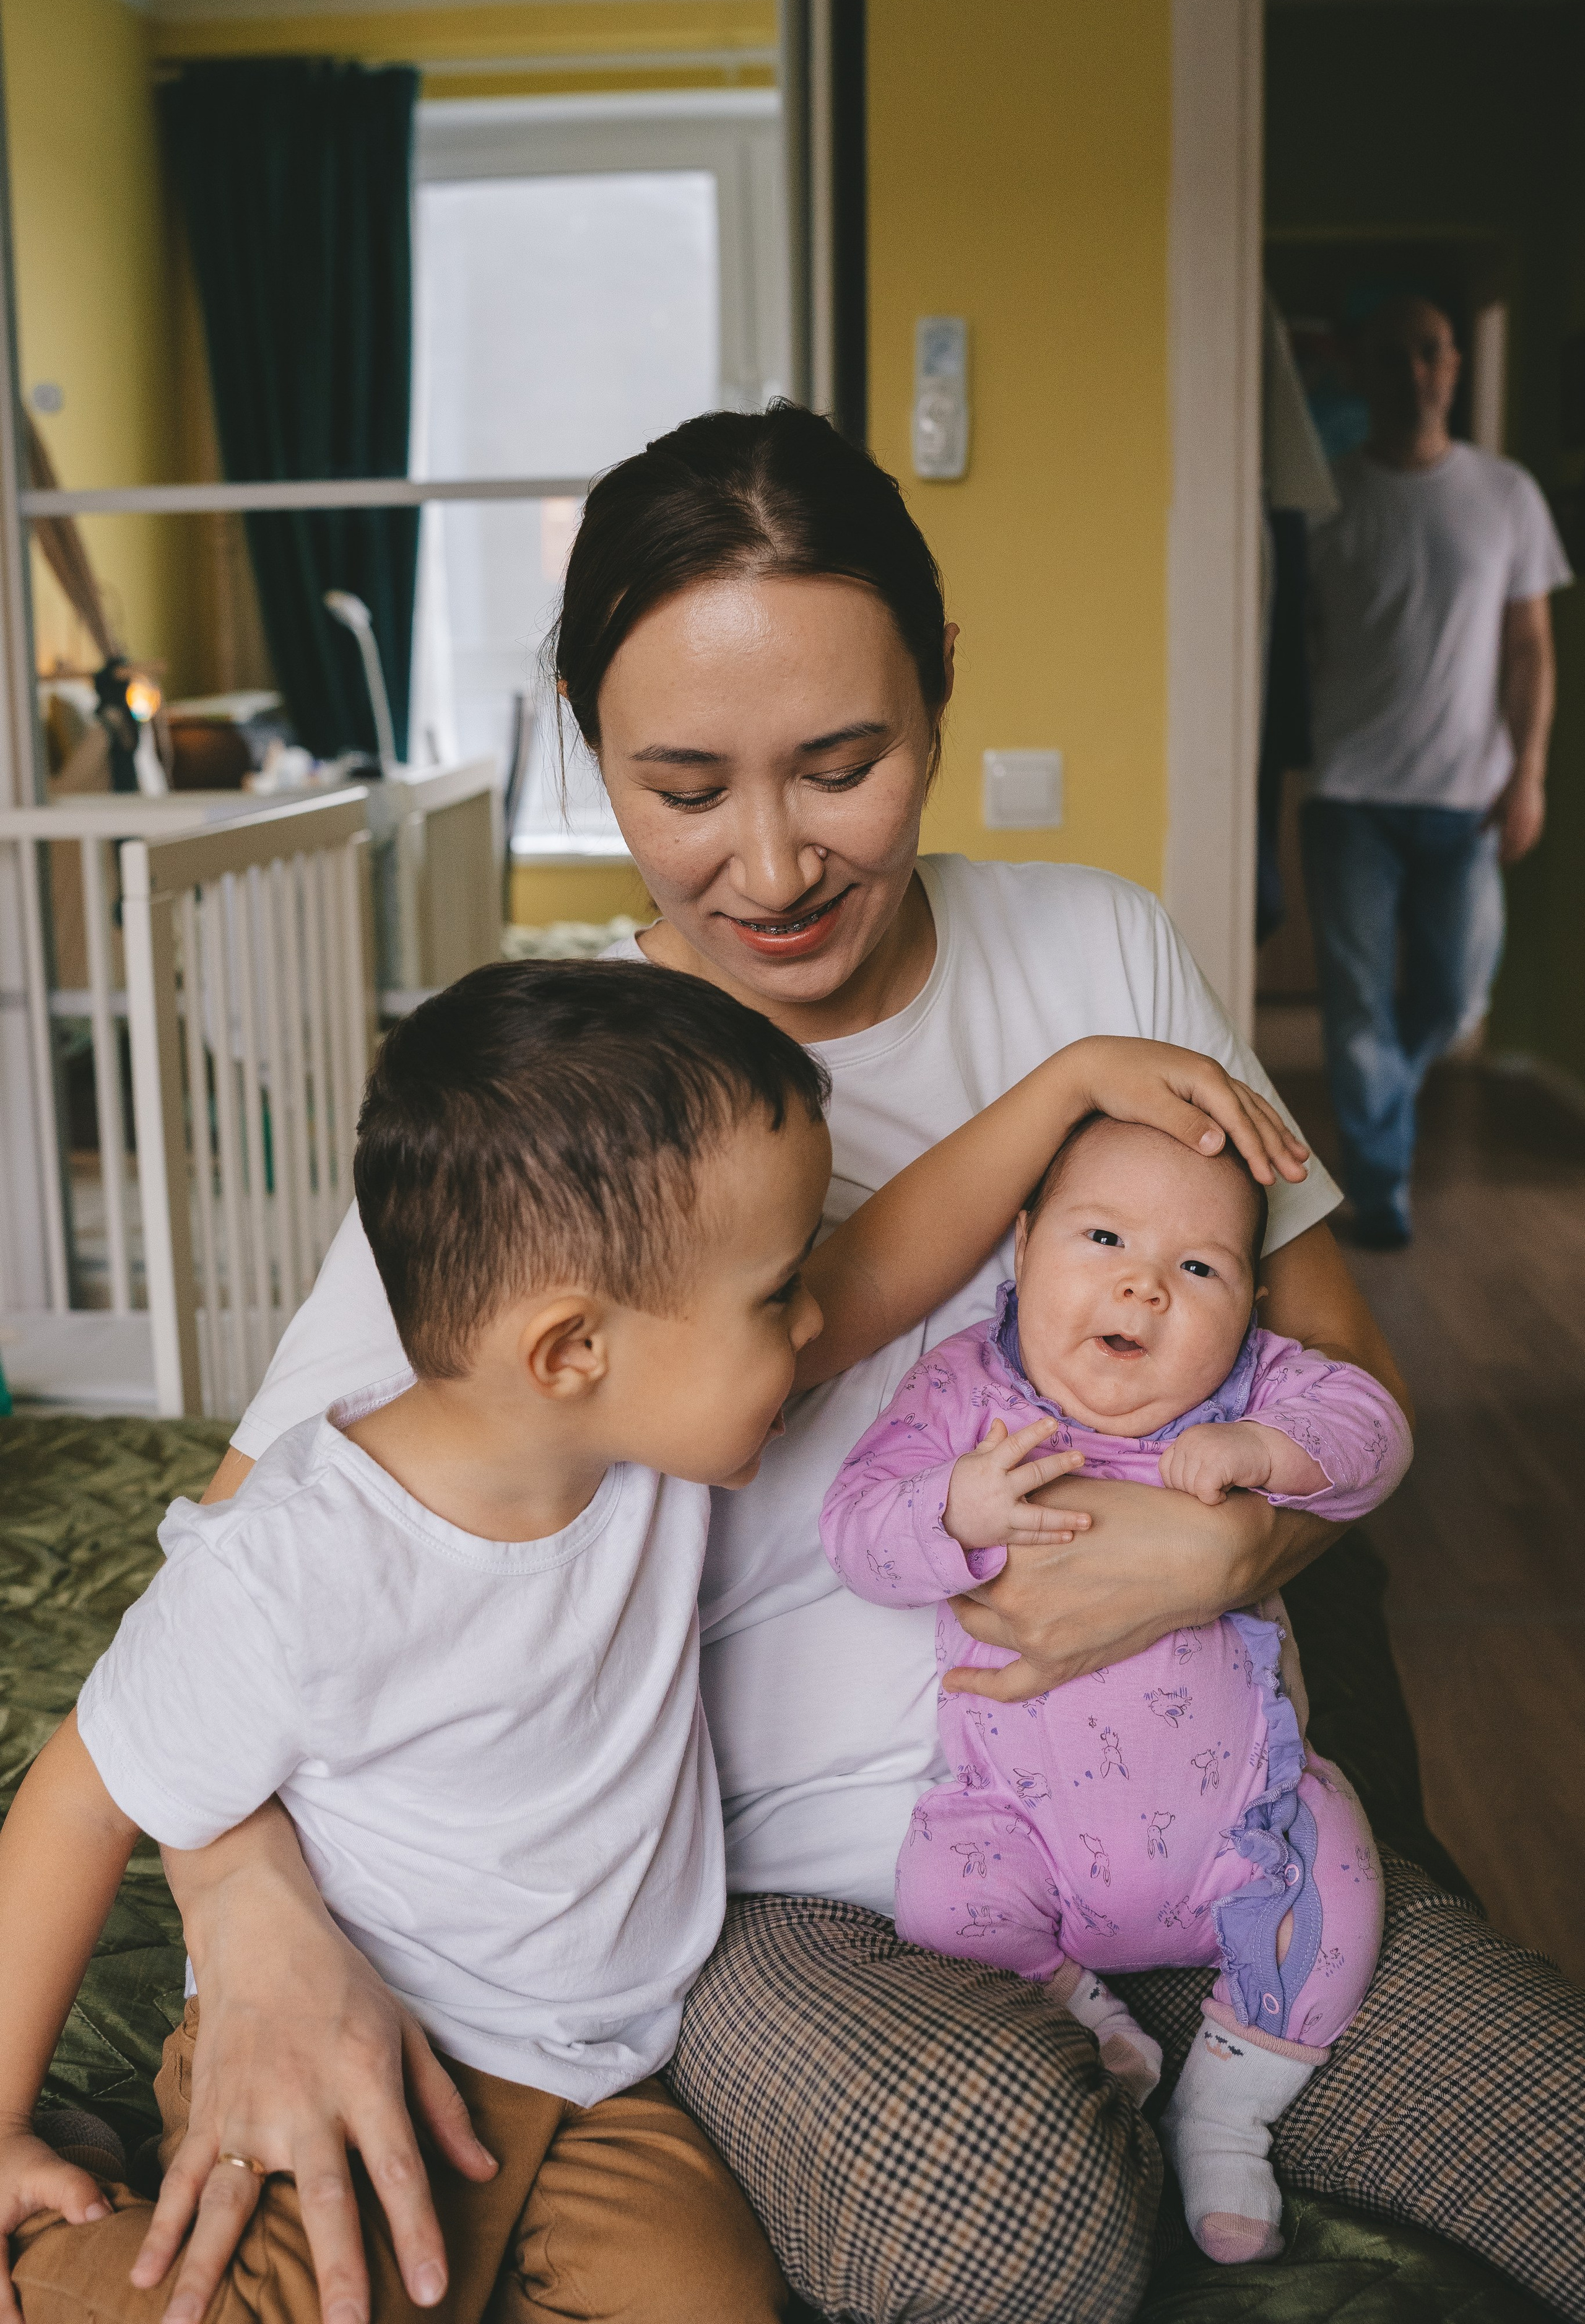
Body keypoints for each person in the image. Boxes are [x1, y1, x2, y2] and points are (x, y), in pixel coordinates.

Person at [131, 409, 1583, 2324]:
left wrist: (1231, 1555)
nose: (772, 862)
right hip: (809, 1886)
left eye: (843, 764)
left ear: (942, 682)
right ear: (587, 740)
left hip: (1204, 1792)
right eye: (682, 786)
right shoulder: (572, 1097)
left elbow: (1334, 1352)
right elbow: (248, 1556)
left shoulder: (1101, 951)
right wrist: (245, 1919)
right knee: (1012, 2233)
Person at [0, 958, 1300, 2324]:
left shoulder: (644, 1442)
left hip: (596, 2082)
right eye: (774, 1294)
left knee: (706, 2300)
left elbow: (880, 1261)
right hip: (354, 2068)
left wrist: (1066, 1088)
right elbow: (76, 1797)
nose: (815, 1324)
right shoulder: (296, 1563)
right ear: (570, 1351)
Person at [821, 1112, 1413, 2266]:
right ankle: (1075, 2008)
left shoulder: (1253, 1388)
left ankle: (1228, 2111)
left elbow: (1376, 1431)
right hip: (1022, 1835)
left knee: (1343, 1874)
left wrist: (1266, 1456)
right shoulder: (964, 1398)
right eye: (1103, 1240)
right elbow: (852, 1532)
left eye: (1199, 1269)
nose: (1145, 1289)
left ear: (1246, 1305)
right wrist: (954, 1509)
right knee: (943, 1895)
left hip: (1251, 1832)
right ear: (1025, 1245)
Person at [1303, 293, 1572, 1248]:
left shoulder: (1507, 495)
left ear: (1454, 367)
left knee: (1458, 998)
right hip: (1351, 799)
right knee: (1362, 1010)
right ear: (1364, 372)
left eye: (1432, 352)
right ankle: (1380, 1195)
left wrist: (1530, 770)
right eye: (1394, 355)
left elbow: (1533, 647)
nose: (1416, 371)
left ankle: (1381, 1097)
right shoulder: (1325, 499)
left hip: (1470, 799)